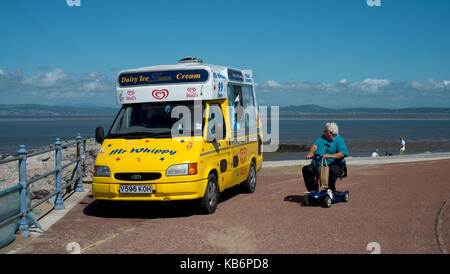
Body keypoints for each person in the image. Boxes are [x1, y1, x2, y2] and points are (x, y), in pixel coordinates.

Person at [302, 122, 349, 194]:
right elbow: (315, 146)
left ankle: (330, 189)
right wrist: (311, 153)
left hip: (334, 164)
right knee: (306, 169)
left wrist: (330, 156)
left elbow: (343, 153)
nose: (323, 132)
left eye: (325, 131)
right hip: (319, 163)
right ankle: (313, 190)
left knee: (332, 171)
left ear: (330, 133)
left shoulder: (339, 140)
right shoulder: (322, 137)